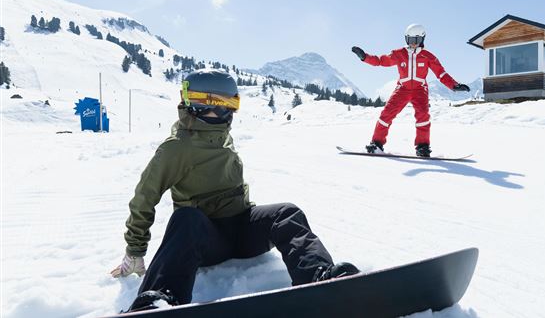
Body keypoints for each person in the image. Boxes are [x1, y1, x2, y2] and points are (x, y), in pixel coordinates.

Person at [110, 69, 359, 312]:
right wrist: (135, 250)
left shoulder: (222, 135)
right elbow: (144, 197)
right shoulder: (176, 148)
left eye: (228, 104)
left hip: (242, 231)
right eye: (213, 103)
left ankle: (319, 278)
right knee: (186, 218)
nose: (222, 111)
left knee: (287, 212)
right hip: (207, 241)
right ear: (193, 104)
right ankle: (160, 301)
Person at [351, 24, 470, 157]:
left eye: (417, 40)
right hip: (402, 89)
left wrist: (454, 85)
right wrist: (364, 57)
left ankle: (422, 147)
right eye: (410, 40)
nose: (413, 44)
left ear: (422, 40)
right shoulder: (399, 54)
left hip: (420, 90)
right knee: (386, 114)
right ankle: (376, 144)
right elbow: (380, 61)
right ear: (406, 39)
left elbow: (440, 73)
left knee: (423, 117)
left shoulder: (428, 56)